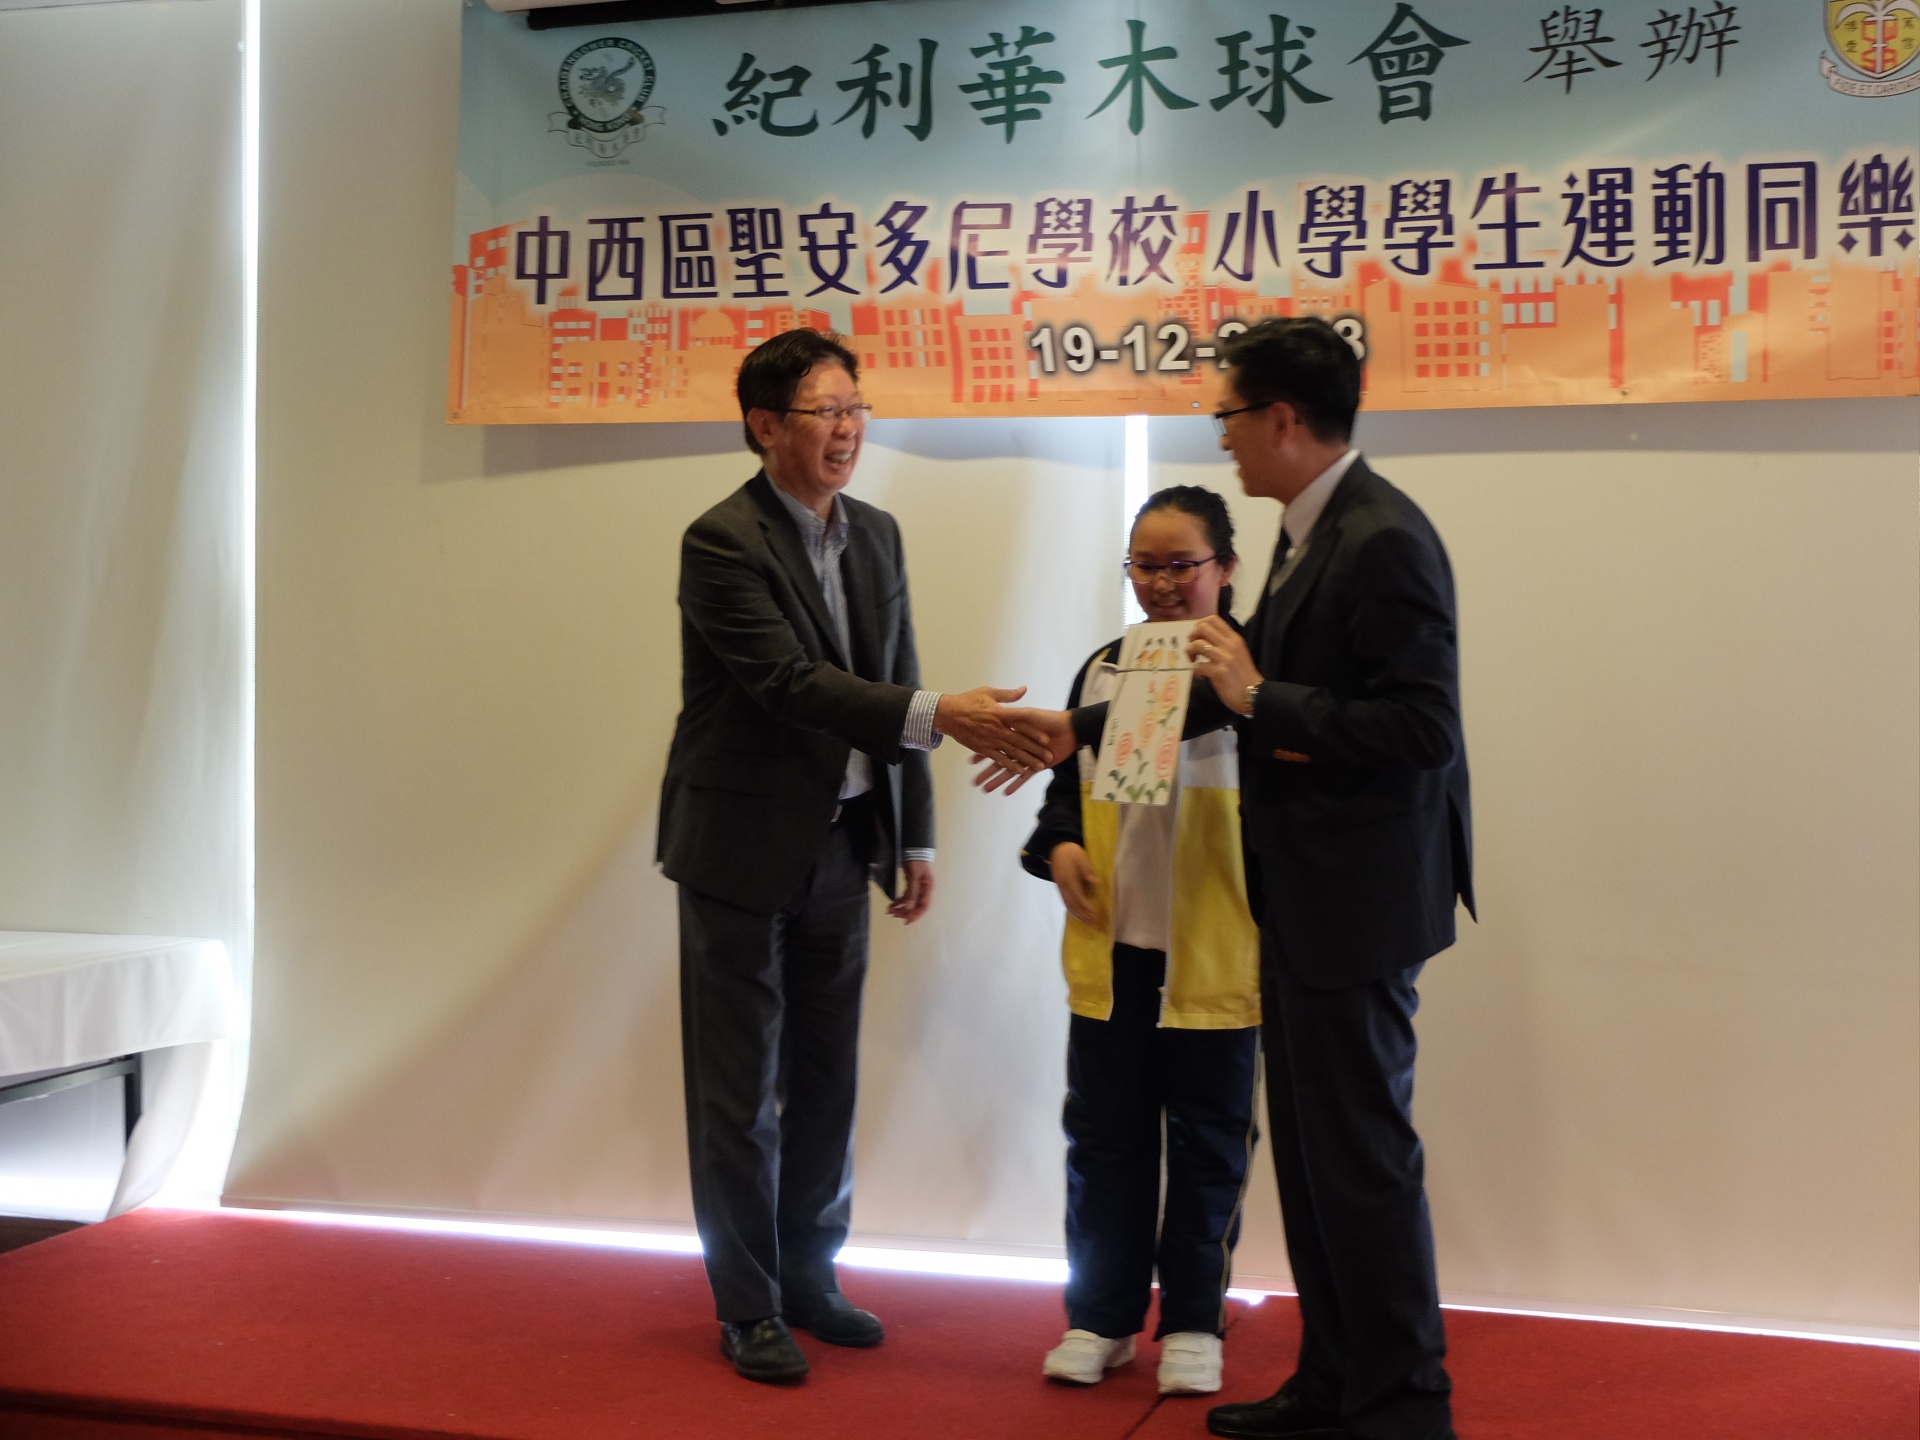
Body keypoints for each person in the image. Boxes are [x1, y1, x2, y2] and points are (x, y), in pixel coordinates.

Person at [995, 316, 1472, 1440]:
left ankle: (1402, 1406)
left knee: (1359, 1164)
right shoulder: (1316, 532)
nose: (1224, 439)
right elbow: (1214, 703)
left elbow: (1420, 728)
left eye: (1230, 416)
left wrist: (1262, 697)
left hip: (1353, 912)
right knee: (1312, 1168)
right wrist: (1077, 731)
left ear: (1282, 418)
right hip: (1301, 915)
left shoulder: (1380, 536)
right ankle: (1333, 1382)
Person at [658, 328, 1051, 1385]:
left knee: (827, 1077)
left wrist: (911, 829)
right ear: (764, 426)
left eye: (855, 408)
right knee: (739, 1094)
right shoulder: (721, 541)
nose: (848, 430)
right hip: (738, 850)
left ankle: (809, 1275)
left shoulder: (874, 533)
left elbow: (895, 667)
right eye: (825, 411)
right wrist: (943, 716)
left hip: (844, 838)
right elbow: (790, 686)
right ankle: (747, 1305)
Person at [1019, 486, 1262, 1399]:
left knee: (1210, 1146)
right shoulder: (1102, 669)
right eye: (1143, 566)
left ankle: (1195, 1321)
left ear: (1225, 569)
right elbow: (1062, 791)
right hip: (1113, 953)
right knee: (1105, 1142)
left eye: (1180, 565)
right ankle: (1101, 1319)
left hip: (1219, 954)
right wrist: (1061, 847)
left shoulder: (1253, 674)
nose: (1161, 584)